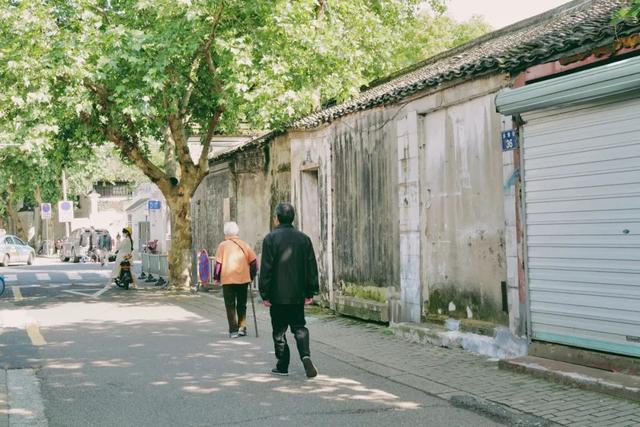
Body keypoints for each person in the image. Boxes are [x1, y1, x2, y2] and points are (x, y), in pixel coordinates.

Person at [259, 203, 319, 378]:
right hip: (297, 294)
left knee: (279, 330)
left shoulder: (270, 239)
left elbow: (266, 268)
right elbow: (311, 267)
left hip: (277, 296)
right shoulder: (304, 239)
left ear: (277, 218)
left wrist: (265, 293)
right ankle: (305, 355)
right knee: (299, 326)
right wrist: (310, 291)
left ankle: (283, 364)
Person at [214, 222, 258, 338]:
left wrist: (216, 278)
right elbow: (254, 262)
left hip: (228, 280)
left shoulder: (222, 245)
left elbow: (218, 264)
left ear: (226, 233)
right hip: (243, 279)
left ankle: (233, 330)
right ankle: (242, 328)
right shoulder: (244, 245)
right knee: (242, 304)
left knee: (230, 305)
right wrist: (251, 276)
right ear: (237, 232)